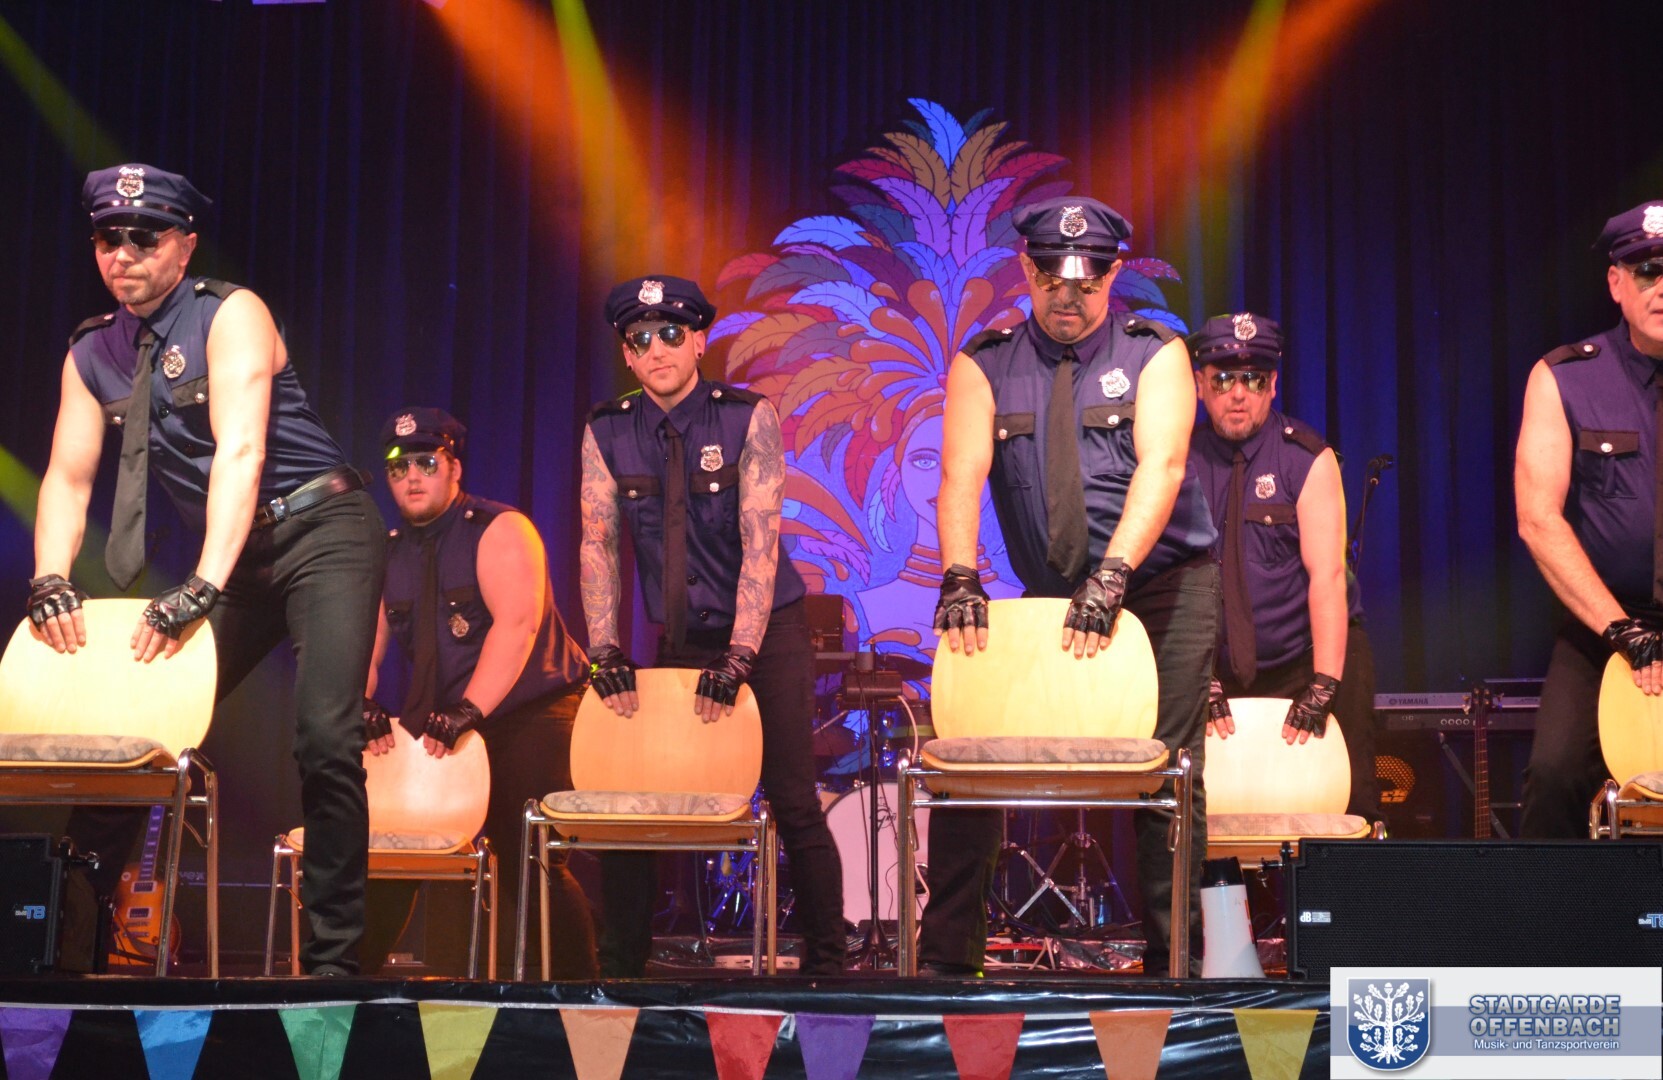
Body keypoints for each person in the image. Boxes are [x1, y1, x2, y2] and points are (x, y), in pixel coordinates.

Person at [28, 163, 384, 975]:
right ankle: (71, 946)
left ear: (184, 246)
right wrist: (50, 575)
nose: (123, 254)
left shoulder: (230, 313)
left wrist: (202, 584)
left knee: (326, 737)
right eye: (107, 238)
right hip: (233, 555)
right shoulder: (91, 350)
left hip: (321, 530)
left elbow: (241, 450)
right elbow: (68, 477)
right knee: (132, 729)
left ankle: (331, 966)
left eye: (144, 237)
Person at [927, 196, 1220, 977]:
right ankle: (945, 962)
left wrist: (1113, 573)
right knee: (971, 749)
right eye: (1052, 282)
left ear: (1111, 275)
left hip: (1160, 583)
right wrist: (959, 573)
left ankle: (1172, 963)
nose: (1068, 298)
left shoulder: (1155, 351)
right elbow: (960, 475)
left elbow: (1162, 466)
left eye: (1085, 285)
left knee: (1167, 768)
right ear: (1026, 270)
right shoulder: (984, 362)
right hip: (1049, 587)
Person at [579, 274, 846, 977]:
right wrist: (605, 648)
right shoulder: (607, 428)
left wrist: (738, 658)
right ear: (627, 354)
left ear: (699, 341)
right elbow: (597, 544)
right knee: (640, 798)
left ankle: (829, 965)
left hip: (767, 631)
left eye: (672, 333)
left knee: (791, 798)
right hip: (681, 638)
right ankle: (621, 967)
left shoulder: (746, 416)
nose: (657, 348)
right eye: (641, 339)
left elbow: (761, 546)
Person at [360, 407, 597, 978]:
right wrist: (359, 702)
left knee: (527, 857)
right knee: (392, 851)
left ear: (454, 468)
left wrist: (469, 710)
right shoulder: (386, 549)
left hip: (531, 709)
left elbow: (517, 627)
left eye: (426, 463)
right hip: (443, 719)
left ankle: (579, 995)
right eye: (398, 468)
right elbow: (364, 644)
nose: (412, 477)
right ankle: (345, 987)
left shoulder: (499, 528)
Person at [1186, 313, 1380, 822]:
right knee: (1207, 812)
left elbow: (1328, 577)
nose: (1238, 394)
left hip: (1308, 657)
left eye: (1253, 379)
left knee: (1348, 801)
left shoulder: (1306, 457)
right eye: (1223, 379)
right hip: (1215, 667)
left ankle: (1351, 875)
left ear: (1273, 385)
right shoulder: (1178, 462)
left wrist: (1324, 684)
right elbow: (1172, 582)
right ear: (1199, 384)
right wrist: (1198, 676)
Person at [1515, 199, 1663, 838]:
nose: (1662, 288)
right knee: (1553, 776)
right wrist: (1623, 631)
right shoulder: (1565, 377)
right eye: (1648, 272)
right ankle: (1555, 909)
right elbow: (1538, 519)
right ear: (1616, 282)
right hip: (1603, 625)